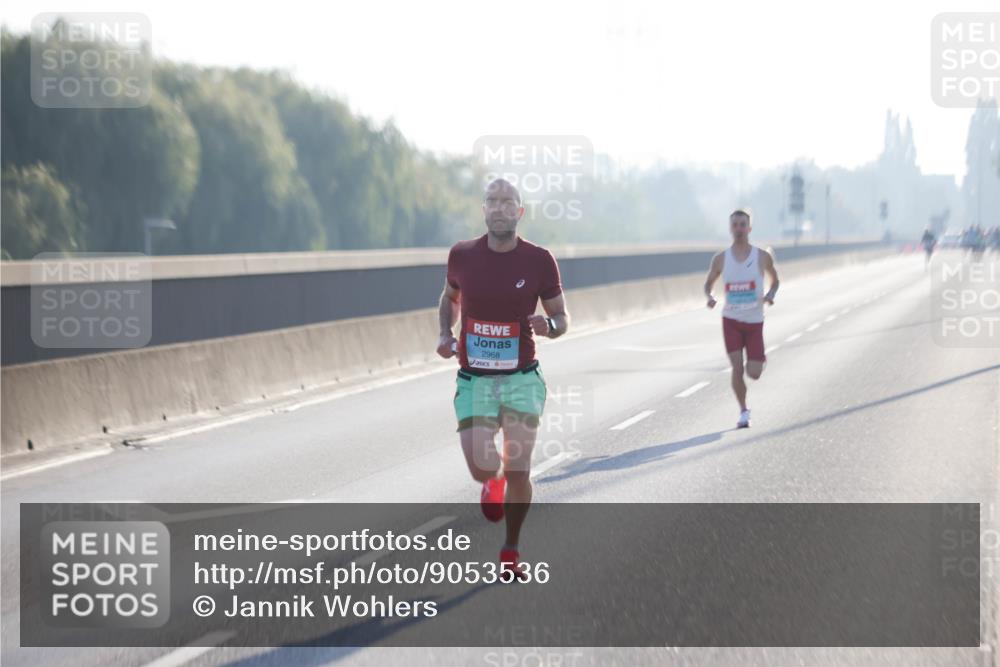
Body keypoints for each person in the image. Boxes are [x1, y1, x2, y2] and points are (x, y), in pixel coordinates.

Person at [436, 178, 569, 580]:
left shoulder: (539, 260)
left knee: (519, 470)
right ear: (483, 210)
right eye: (491, 201)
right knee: (482, 466)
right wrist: (445, 332)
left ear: (519, 211)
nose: (499, 207)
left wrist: (549, 325)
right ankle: (489, 483)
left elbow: (563, 318)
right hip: (474, 378)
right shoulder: (462, 255)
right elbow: (450, 297)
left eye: (507, 201)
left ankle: (511, 549)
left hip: (521, 379)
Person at [703, 209, 779, 428]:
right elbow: (708, 284)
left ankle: (759, 361)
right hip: (731, 320)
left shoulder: (761, 257)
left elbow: (775, 281)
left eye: (742, 225)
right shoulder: (720, 259)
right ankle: (744, 411)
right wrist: (710, 296)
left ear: (749, 228)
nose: (738, 229)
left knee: (753, 373)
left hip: (755, 321)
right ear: (730, 228)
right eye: (735, 225)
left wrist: (770, 295)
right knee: (736, 368)